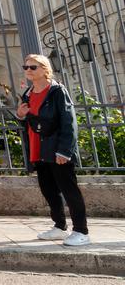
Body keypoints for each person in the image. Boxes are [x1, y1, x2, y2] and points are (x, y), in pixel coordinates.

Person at [17, 54, 90, 247]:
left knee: (69, 190)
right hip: (38, 149)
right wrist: (21, 116)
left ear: (45, 69)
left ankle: (81, 231)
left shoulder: (57, 91)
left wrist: (64, 150)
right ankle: (59, 226)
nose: (28, 70)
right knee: (49, 190)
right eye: (26, 67)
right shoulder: (28, 94)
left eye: (33, 67)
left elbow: (69, 121)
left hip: (56, 148)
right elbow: (29, 123)